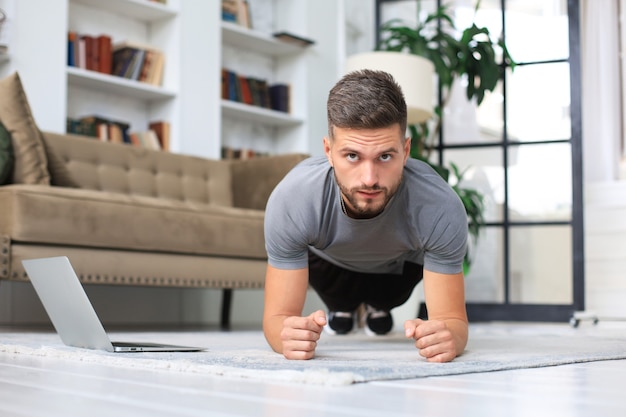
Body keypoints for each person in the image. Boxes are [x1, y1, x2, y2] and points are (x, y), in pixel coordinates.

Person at [262, 69, 468, 363]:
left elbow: (453, 321)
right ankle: (342, 309)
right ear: (328, 151)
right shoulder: (293, 199)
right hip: (332, 271)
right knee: (341, 302)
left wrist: (448, 337)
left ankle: (376, 307)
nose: (370, 179)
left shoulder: (440, 206)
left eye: (385, 156)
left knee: (384, 299)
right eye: (352, 156)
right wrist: (287, 336)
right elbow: (276, 319)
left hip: (393, 276)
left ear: (406, 150)